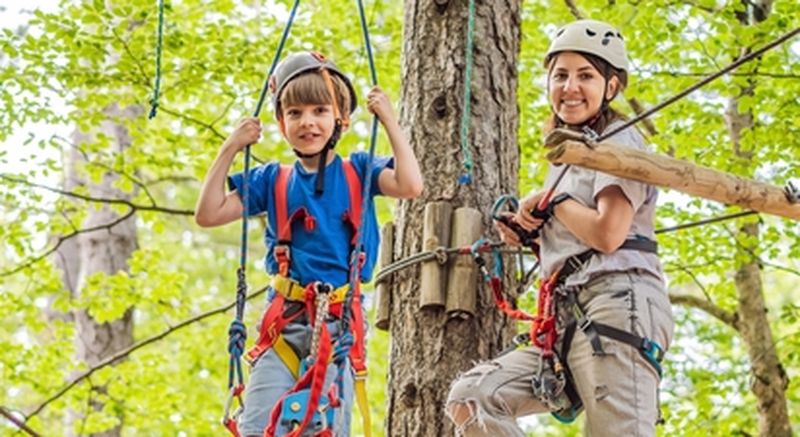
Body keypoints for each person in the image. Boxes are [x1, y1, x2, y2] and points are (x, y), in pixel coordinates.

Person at [446, 20, 674, 437]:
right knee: (473, 396)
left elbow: (608, 234)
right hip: (568, 314)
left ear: (611, 87)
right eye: (560, 75)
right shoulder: (570, 155)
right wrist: (534, 230)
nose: (570, 87)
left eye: (585, 75)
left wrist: (556, 202)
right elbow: (577, 231)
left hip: (616, 302)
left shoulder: (617, 141)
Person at [195, 51, 423, 437]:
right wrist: (230, 147)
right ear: (282, 123)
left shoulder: (360, 171)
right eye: (295, 113)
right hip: (283, 325)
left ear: (340, 119)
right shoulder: (272, 180)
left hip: (338, 325)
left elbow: (410, 185)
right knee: (258, 426)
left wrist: (390, 122)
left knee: (326, 428)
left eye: (320, 110)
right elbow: (208, 213)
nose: (308, 122)